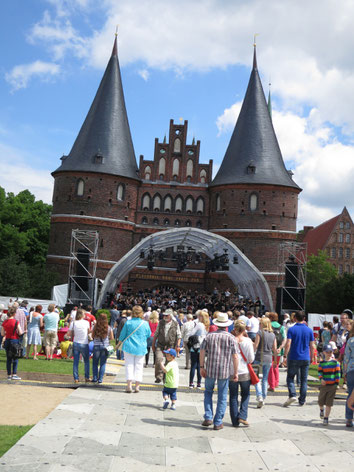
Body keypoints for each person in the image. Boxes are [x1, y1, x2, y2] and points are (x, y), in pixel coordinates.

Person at [199, 312, 238, 430]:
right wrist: (235, 372)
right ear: (226, 325)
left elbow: (202, 352)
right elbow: (235, 356)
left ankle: (208, 416)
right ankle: (218, 421)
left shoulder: (209, 336)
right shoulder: (231, 338)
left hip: (210, 368)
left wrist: (201, 367)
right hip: (224, 370)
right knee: (222, 396)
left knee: (208, 392)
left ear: (216, 324)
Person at [283, 312, 315, 407]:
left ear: (295, 318)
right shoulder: (309, 330)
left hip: (294, 356)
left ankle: (292, 394)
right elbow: (312, 345)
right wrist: (312, 357)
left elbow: (288, 343)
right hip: (305, 357)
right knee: (303, 380)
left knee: (290, 377)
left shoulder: (291, 329)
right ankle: (302, 400)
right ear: (304, 318)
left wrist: (285, 355)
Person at [119, 305, 151, 393]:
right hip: (141, 347)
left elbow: (122, 335)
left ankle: (129, 385)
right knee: (139, 366)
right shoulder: (145, 323)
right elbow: (148, 334)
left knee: (129, 365)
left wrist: (118, 344)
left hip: (129, 346)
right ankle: (137, 386)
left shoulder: (128, 323)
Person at [229, 320, 255, 427]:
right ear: (244, 330)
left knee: (233, 396)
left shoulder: (230, 340)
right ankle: (242, 415)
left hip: (231, 370)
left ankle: (235, 420)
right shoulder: (248, 341)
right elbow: (251, 358)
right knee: (245, 394)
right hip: (244, 371)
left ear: (234, 329)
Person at [152, 308, 181, 384]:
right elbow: (156, 334)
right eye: (164, 315)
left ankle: (165, 378)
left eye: (166, 315)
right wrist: (153, 344)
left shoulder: (175, 324)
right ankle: (158, 376)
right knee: (158, 359)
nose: (165, 316)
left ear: (170, 316)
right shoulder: (161, 323)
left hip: (170, 346)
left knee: (168, 363)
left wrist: (177, 346)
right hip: (160, 345)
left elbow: (179, 336)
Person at [253, 317, 277, 408]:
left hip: (259, 357)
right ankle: (263, 396)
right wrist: (275, 360)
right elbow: (274, 349)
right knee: (265, 379)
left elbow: (256, 345)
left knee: (257, 379)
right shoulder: (273, 334)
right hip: (269, 358)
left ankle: (259, 396)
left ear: (262, 324)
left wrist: (251, 354)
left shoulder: (260, 333)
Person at [318, 344, 341, 425]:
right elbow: (320, 372)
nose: (329, 353)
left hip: (332, 386)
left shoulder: (336, 363)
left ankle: (326, 418)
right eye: (327, 352)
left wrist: (336, 383)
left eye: (331, 351)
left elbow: (338, 374)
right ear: (324, 352)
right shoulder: (322, 363)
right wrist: (321, 379)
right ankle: (321, 410)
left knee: (329, 403)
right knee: (320, 401)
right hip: (324, 385)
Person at [68, 308, 91, 383]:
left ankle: (76, 378)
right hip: (84, 343)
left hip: (76, 342)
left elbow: (70, 333)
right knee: (86, 361)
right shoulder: (86, 323)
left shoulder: (73, 323)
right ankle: (87, 377)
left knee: (76, 362)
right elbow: (89, 332)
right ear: (82, 315)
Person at [1, 306, 23, 380]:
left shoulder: (5, 322)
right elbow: (20, 332)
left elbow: (2, 333)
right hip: (15, 340)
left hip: (7, 340)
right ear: (14, 313)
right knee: (15, 358)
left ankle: (9, 375)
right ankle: (14, 374)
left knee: (8, 358)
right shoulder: (16, 322)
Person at [189, 310, 209, 389]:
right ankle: (199, 383)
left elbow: (191, 334)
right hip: (202, 347)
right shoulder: (207, 326)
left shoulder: (199, 324)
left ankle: (191, 383)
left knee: (193, 365)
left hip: (195, 346)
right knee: (200, 365)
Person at [92, 312, 114, 384]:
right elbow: (112, 338)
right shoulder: (109, 328)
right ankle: (100, 379)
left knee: (95, 363)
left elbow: (92, 336)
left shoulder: (95, 327)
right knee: (103, 363)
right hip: (105, 346)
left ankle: (95, 377)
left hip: (96, 346)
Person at [267, 312, 286, 392]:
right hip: (278, 350)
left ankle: (272, 384)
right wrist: (281, 347)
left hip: (269, 349)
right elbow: (284, 338)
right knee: (276, 366)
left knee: (270, 367)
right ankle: (276, 382)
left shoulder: (268, 325)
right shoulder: (281, 327)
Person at [343, 322, 354, 427]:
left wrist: (344, 372)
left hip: (351, 368)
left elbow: (346, 358)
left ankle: (349, 418)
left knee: (350, 394)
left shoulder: (350, 341)